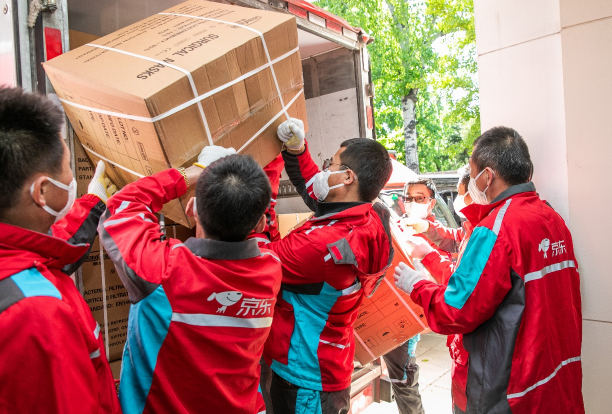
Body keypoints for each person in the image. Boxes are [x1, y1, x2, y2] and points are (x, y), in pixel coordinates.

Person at [394, 127, 584, 414]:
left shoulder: (495, 229)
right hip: (551, 380)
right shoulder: (550, 217)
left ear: (487, 176)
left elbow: (457, 310)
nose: (471, 182)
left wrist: (417, 285)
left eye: (472, 174)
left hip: (507, 391)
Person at [98, 149, 282, 414]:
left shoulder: (163, 271)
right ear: (261, 223)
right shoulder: (270, 270)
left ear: (191, 208)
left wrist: (192, 173)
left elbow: (124, 203)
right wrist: (272, 160)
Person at [256, 119, 394, 414]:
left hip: (305, 378)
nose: (324, 171)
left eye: (330, 165)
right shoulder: (368, 217)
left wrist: (262, 175)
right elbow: (318, 193)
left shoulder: (321, 247)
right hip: (326, 364)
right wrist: (296, 150)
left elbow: (258, 258)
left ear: (347, 177)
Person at [0, 87, 120, 413]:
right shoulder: (37, 315)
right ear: (41, 191)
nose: (71, 178)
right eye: (67, 166)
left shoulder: (16, 257)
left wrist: (94, 204)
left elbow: (49, 248)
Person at [401, 167, 473, 413]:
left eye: (419, 198)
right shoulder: (403, 228)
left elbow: (456, 283)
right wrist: (426, 230)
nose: (412, 203)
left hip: (440, 314)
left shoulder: (485, 231)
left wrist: (428, 254)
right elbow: (456, 236)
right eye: (408, 198)